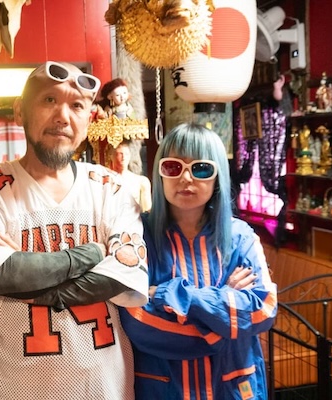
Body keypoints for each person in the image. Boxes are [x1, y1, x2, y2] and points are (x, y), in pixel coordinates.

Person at [0, 61, 149, 400]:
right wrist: (92, 254)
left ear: (89, 119)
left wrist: (28, 277)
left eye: (77, 105)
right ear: (20, 110)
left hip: (106, 390)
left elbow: (122, 277)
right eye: (49, 100)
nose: (63, 116)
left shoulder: (111, 187)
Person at [119, 123, 278, 399]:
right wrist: (223, 318)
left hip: (232, 387)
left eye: (201, 169)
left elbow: (262, 309)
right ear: (159, 173)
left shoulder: (241, 237)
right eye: (173, 167)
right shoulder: (137, 237)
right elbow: (136, 320)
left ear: (218, 176)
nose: (186, 178)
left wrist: (171, 294)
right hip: (165, 389)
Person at [108, 139, 152, 212]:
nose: (124, 157)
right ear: (112, 156)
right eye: (120, 154)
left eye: (126, 154)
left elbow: (147, 210)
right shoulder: (105, 180)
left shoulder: (140, 181)